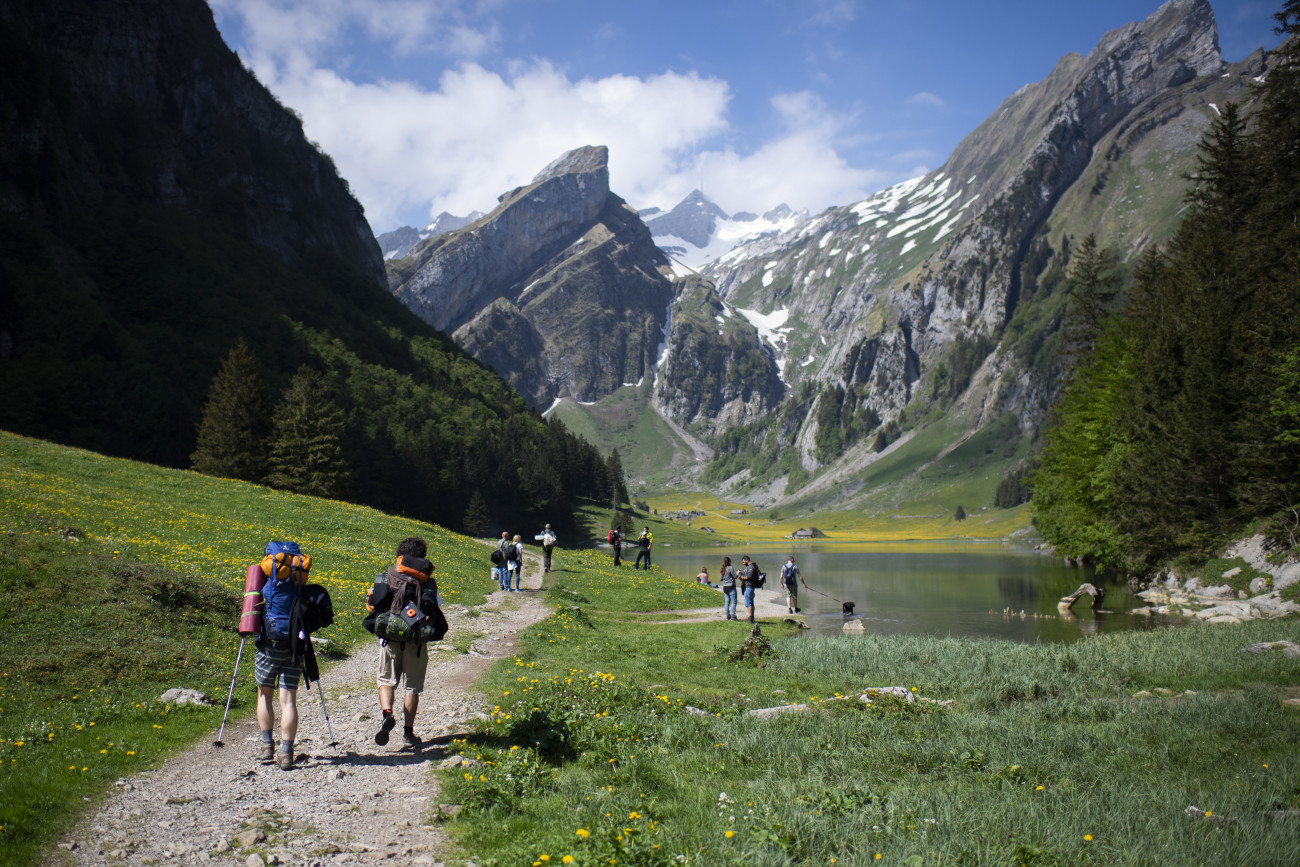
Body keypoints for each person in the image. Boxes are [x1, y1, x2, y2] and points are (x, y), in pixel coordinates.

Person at [372, 536, 442, 746]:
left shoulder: (387, 576)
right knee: (412, 687)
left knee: (386, 680)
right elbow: (435, 609)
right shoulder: (428, 582)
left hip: (391, 638)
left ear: (399, 555)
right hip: (416, 641)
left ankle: (387, 714)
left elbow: (376, 604)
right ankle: (408, 733)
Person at [254, 600, 301, 771]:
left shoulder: (267, 580)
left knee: (264, 694)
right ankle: (287, 753)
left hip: (269, 645)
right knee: (288, 701)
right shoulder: (300, 578)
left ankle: (267, 746)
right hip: (295, 646)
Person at [739, 555, 760, 623]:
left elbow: (750, 576)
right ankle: (751, 617)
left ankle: (750, 618)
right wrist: (742, 574)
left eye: (743, 562)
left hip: (749, 586)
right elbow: (748, 575)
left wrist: (742, 578)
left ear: (746, 560)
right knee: (749, 602)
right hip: (748, 586)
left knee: (749, 602)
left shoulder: (751, 567)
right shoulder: (749, 567)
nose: (743, 563)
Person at [719, 556, 738, 620]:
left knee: (726, 601)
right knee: (733, 602)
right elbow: (735, 576)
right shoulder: (730, 568)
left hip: (725, 587)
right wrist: (738, 573)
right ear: (729, 562)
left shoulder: (722, 569)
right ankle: (733, 616)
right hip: (731, 586)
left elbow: (721, 579)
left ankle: (727, 615)